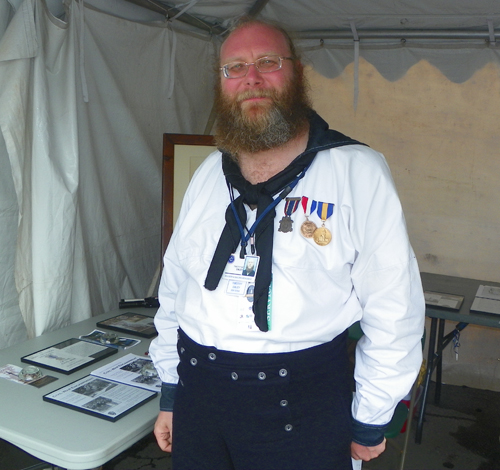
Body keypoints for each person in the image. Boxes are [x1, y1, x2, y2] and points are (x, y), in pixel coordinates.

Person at [149, 17, 425, 470]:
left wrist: (370, 416)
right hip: (200, 398)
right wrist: (172, 391)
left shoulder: (357, 172)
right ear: (221, 84)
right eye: (234, 68)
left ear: (297, 73)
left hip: (302, 406)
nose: (250, 78)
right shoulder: (208, 174)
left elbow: (394, 308)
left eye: (268, 62)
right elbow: (176, 290)